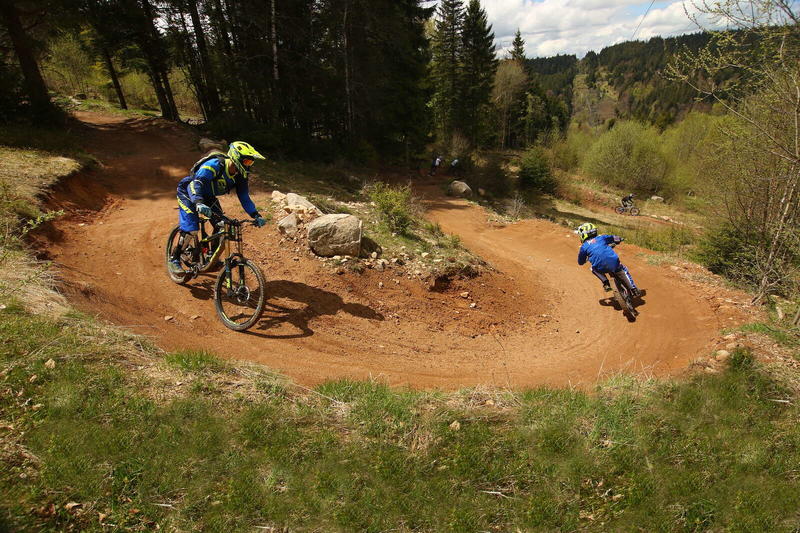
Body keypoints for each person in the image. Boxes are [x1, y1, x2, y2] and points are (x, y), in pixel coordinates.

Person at [169, 141, 267, 274]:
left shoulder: (240, 175)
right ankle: (174, 259)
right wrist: (198, 202)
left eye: (250, 163)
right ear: (236, 157)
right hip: (189, 192)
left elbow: (244, 196)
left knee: (222, 225)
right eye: (246, 161)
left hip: (208, 197)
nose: (248, 165)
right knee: (191, 229)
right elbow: (196, 184)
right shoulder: (214, 165)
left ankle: (211, 257)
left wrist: (255, 214)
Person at [576, 222, 640, 297]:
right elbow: (614, 238)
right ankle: (634, 289)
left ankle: (606, 283)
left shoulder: (584, 247)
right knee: (623, 270)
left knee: (592, 268)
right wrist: (619, 239)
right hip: (614, 263)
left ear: (583, 235)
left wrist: (583, 260)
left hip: (600, 268)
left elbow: (580, 262)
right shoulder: (601, 238)